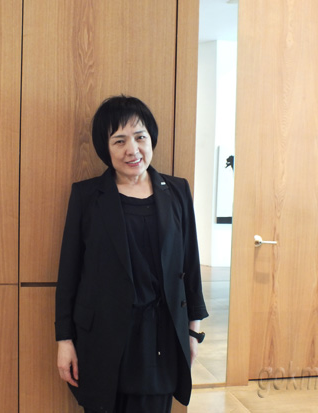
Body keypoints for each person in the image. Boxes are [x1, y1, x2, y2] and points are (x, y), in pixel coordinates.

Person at [55, 95, 208, 413]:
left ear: (151, 139)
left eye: (140, 137)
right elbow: (69, 274)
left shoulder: (177, 191)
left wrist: (193, 332)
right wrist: (65, 340)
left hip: (161, 340)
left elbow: (190, 266)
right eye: (119, 140)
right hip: (103, 340)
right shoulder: (87, 196)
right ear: (105, 148)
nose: (132, 149)